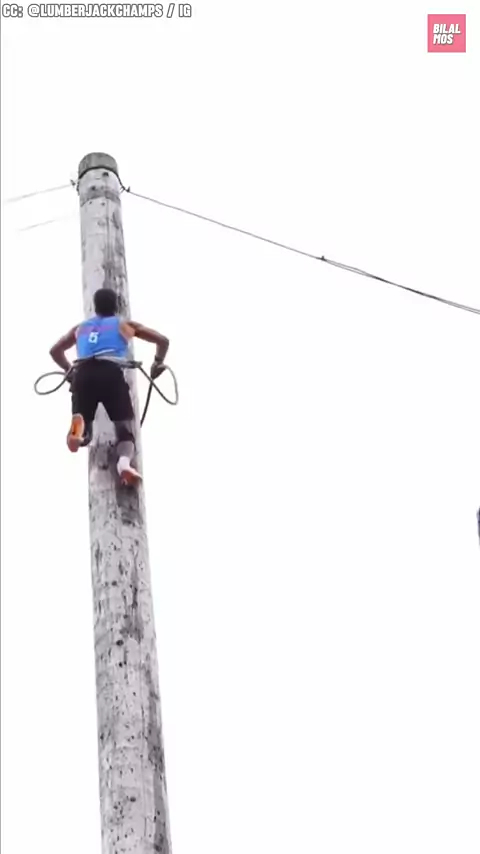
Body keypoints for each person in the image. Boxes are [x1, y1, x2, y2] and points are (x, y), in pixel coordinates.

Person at [49, 287, 169, 486]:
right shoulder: (124, 325)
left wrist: (69, 370)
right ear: (117, 305)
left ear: (94, 306)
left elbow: (55, 351)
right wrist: (157, 362)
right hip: (110, 374)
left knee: (85, 430)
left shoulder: (80, 328)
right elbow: (163, 341)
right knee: (125, 432)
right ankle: (124, 464)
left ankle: (78, 433)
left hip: (83, 374)